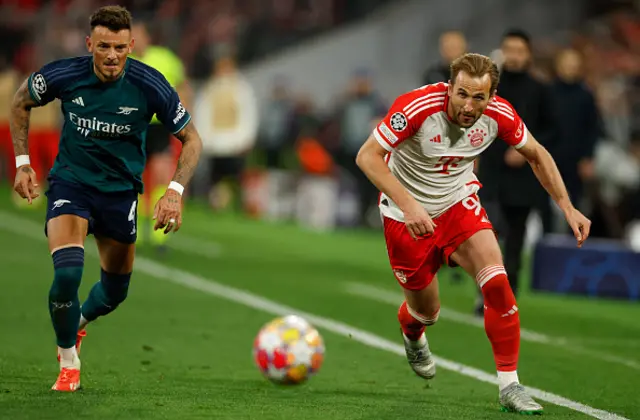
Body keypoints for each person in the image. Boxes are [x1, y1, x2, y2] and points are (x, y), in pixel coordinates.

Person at [356, 53, 590, 414]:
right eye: (462, 94)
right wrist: (410, 205)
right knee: (426, 312)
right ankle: (413, 333)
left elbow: (537, 154)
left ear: (492, 96)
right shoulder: (416, 107)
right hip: (404, 215)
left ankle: (509, 386)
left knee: (497, 283)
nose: (468, 105)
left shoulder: (500, 115)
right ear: (449, 88)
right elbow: (368, 157)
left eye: (478, 97)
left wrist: (567, 206)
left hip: (457, 204)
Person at [9, 5, 203, 392]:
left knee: (115, 292)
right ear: (89, 44)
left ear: (131, 46)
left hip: (120, 194)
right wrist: (23, 163)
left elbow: (192, 139)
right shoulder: (65, 75)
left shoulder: (151, 84)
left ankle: (77, 324)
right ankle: (68, 361)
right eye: (102, 47)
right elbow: (19, 102)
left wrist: (175, 193)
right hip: (71, 185)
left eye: (118, 47)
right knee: (67, 273)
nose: (111, 55)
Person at [130, 21, 193, 251]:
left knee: (160, 175)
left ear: (146, 36)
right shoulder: (123, 61)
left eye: (137, 34)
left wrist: (183, 115)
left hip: (159, 126)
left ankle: (159, 236)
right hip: (133, 125)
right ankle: (131, 230)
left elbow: (183, 86)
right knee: (131, 177)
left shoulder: (165, 58)